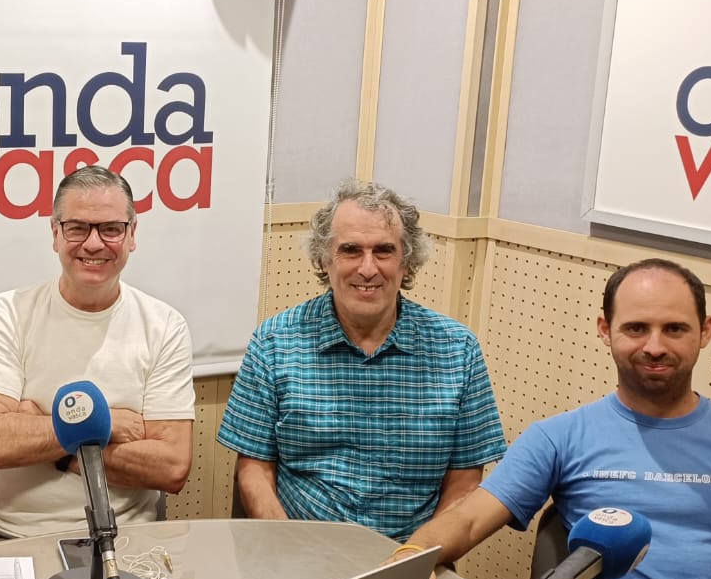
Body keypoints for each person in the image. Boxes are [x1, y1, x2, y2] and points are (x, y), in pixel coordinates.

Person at [390, 258, 711, 579]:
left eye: (674, 329)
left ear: (705, 331)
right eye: (636, 328)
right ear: (605, 330)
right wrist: (411, 558)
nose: (655, 346)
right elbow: (467, 520)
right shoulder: (560, 436)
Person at [216, 180, 505, 540]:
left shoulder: (458, 350)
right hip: (300, 550)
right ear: (324, 259)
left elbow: (465, 480)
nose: (368, 268)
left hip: (411, 554)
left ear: (407, 262)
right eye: (351, 250)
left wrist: (420, 554)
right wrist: (288, 549)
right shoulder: (275, 342)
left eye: (383, 251)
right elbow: (254, 470)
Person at [0, 165, 194, 539]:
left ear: (132, 234)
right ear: (55, 234)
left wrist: (53, 436)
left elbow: (171, 468)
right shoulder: (8, 313)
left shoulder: (165, 326)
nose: (93, 243)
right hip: (11, 535)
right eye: (77, 228)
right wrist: (107, 425)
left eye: (111, 229)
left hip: (128, 536)